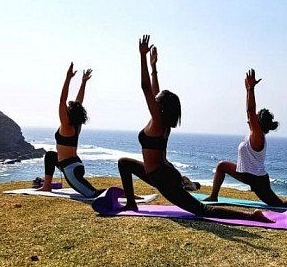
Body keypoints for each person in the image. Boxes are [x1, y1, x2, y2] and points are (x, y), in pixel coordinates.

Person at [117, 35, 273, 222]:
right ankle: (132, 203)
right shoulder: (160, 121)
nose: (154, 98)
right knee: (124, 163)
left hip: (163, 177)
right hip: (158, 173)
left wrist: (141, 56)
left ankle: (252, 215)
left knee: (202, 210)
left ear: (160, 107)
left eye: (157, 100)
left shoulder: (158, 122)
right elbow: (154, 90)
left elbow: (145, 88)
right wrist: (154, 68)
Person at [204, 69, 287, 210]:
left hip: (257, 180)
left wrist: (250, 89)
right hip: (245, 174)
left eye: (255, 117)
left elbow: (249, 111)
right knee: (221, 166)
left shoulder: (258, 135)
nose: (251, 117)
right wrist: (248, 90)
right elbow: (249, 113)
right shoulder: (252, 134)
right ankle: (213, 196)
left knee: (278, 205)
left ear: (258, 123)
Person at [38, 62, 104, 198]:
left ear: (69, 113)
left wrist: (68, 78)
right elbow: (78, 103)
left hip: (71, 170)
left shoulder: (66, 126)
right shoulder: (76, 125)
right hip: (74, 164)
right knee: (50, 155)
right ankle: (47, 186)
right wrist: (83, 82)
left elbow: (62, 101)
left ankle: (125, 194)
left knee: (93, 194)